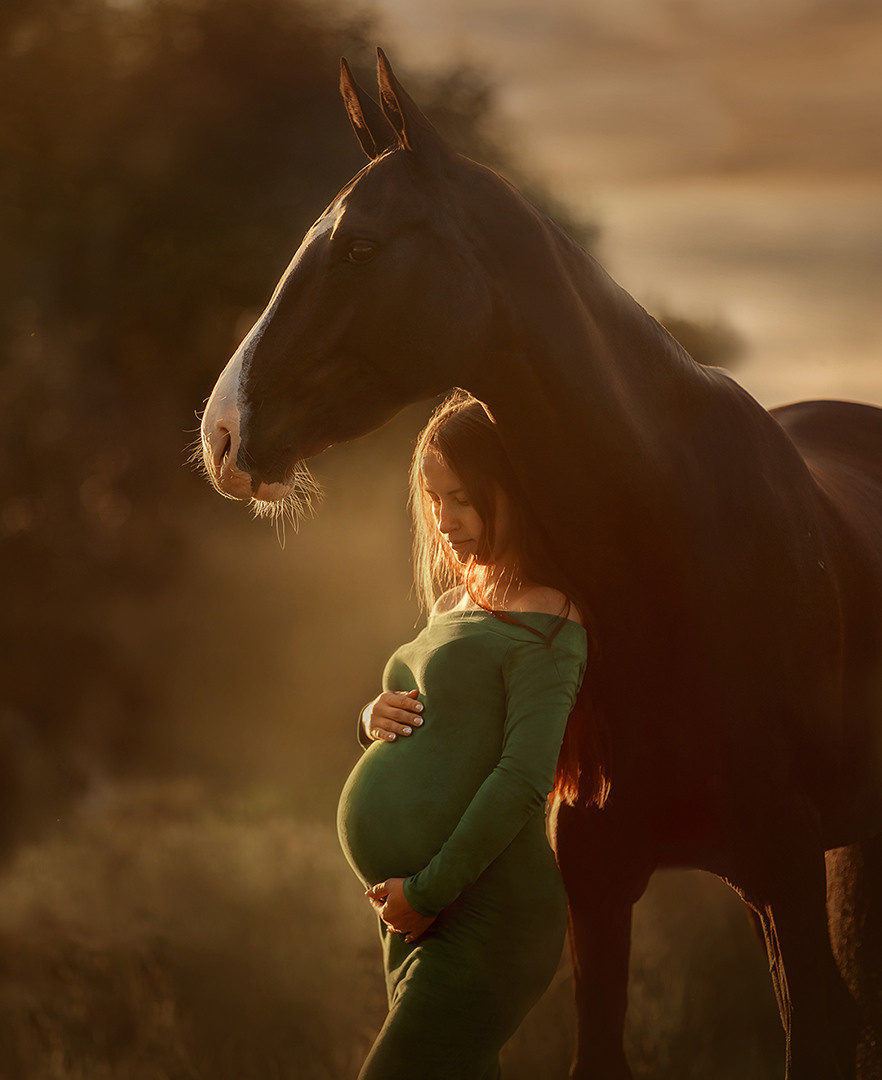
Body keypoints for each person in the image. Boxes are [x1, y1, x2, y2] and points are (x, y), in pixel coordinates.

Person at [336, 390, 588, 1079]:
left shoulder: (550, 618)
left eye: (465, 499)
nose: (445, 520)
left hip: (486, 919)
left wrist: (425, 893)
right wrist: (370, 719)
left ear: (513, 491)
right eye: (434, 499)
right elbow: (438, 723)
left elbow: (523, 777)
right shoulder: (452, 603)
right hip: (417, 915)